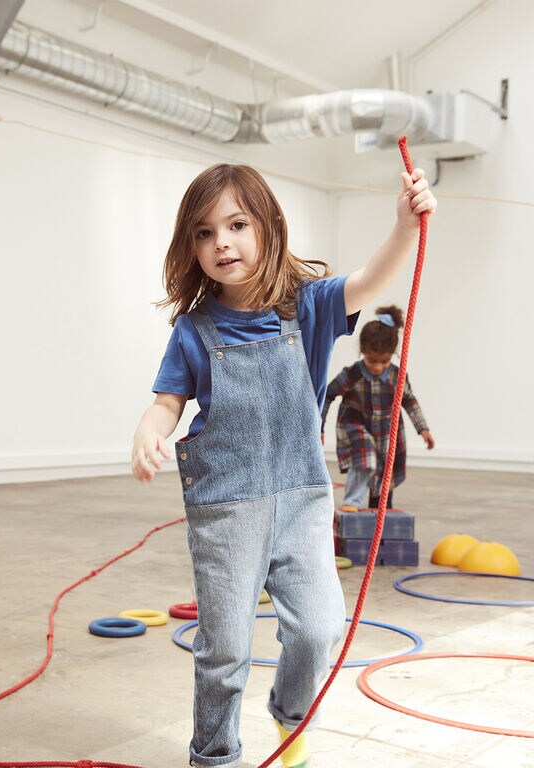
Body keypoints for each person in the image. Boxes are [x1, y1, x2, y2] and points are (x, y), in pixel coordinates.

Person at [130, 163, 436, 768]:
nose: (221, 242)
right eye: (203, 231)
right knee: (223, 649)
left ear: (268, 227)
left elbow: (372, 280)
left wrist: (405, 225)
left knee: (319, 627)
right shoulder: (194, 329)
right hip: (226, 509)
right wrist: (150, 429)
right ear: (190, 246)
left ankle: (292, 726)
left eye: (237, 224)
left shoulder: (311, 307)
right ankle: (214, 756)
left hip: (301, 499)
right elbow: (168, 401)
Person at [321, 306, 435, 512]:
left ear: (392, 355)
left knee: (384, 474)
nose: (378, 367)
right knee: (366, 458)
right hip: (356, 427)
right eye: (372, 360)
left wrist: (423, 428)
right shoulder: (352, 374)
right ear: (362, 351)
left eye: (384, 361)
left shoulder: (396, 376)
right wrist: (319, 427)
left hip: (386, 433)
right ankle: (352, 502)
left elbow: (409, 401)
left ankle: (381, 512)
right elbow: (327, 395)